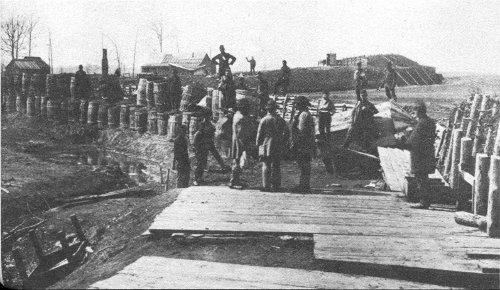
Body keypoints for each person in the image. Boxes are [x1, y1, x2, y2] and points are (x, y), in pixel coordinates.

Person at [406, 101, 436, 209]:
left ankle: (424, 202)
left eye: (415, 111)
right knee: (424, 178)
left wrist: (404, 140)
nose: (414, 113)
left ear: (418, 111)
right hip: (427, 154)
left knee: (421, 178)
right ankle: (425, 201)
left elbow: (413, 140)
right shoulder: (430, 122)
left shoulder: (422, 123)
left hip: (420, 155)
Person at [256, 100, 289, 191]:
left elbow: (259, 134)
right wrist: (283, 141)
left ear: (267, 109)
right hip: (278, 144)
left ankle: (266, 185)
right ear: (275, 109)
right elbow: (287, 132)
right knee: (276, 165)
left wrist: (258, 144)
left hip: (266, 144)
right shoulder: (280, 120)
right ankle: (276, 185)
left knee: (266, 164)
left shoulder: (264, 120)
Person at [292, 96, 316, 192]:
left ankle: (304, 185)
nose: (295, 106)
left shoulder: (303, 115)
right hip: (306, 142)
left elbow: (301, 130)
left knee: (304, 164)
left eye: (297, 104)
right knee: (304, 164)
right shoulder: (305, 114)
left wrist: (297, 142)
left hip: (303, 143)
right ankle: (304, 184)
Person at [230, 99, 253, 189]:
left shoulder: (236, 115)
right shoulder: (242, 118)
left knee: (236, 160)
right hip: (240, 141)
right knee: (237, 161)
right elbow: (242, 133)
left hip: (235, 140)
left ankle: (235, 180)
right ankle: (234, 181)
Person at [193, 116, 213, 186]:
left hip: (204, 150)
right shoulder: (198, 134)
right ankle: (196, 179)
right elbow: (195, 143)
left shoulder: (204, 134)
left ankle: (200, 178)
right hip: (199, 150)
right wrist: (196, 149)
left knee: (203, 164)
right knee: (199, 164)